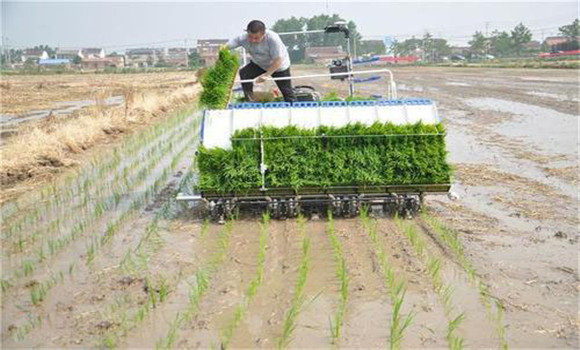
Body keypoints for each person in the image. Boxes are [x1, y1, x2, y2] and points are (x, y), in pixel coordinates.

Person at [226, 20, 297, 103]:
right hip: (259, 64)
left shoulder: (273, 39)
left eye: (256, 38)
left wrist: (266, 75)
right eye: (250, 37)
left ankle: (294, 108)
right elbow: (226, 46)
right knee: (244, 73)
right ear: (247, 32)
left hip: (279, 66)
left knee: (287, 91)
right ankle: (250, 101)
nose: (252, 40)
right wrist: (222, 50)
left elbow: (278, 60)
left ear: (264, 34)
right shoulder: (242, 38)